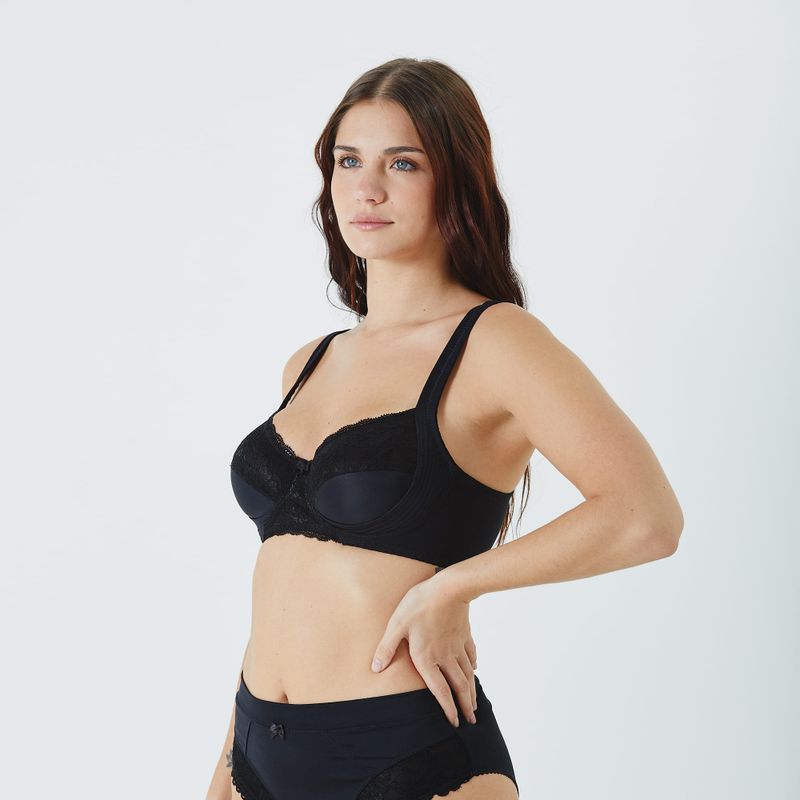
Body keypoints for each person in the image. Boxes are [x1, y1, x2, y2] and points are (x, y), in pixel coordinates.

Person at [206, 57, 684, 800]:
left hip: (404, 754)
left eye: (402, 163)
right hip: (257, 748)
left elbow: (645, 516)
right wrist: (228, 763)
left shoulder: (496, 342)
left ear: (455, 180)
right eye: (348, 161)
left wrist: (455, 587)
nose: (366, 188)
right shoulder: (310, 361)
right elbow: (286, 579)